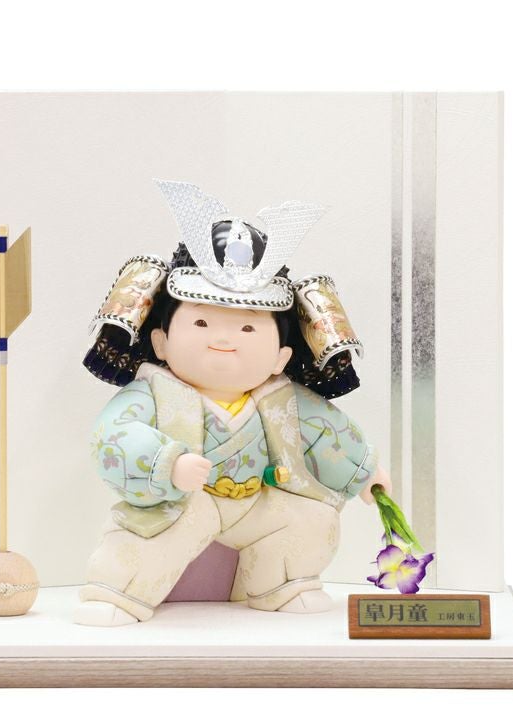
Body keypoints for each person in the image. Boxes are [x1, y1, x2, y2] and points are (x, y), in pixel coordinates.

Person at [76, 180, 391, 626]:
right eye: (202, 323)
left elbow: (328, 432)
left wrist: (364, 472)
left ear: (281, 357)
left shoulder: (282, 399)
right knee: (162, 529)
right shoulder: (151, 394)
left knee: (308, 518)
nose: (224, 339)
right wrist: (167, 466)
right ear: (161, 342)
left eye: (247, 328)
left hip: (256, 501)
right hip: (184, 502)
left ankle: (281, 584)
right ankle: (119, 592)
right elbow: (113, 435)